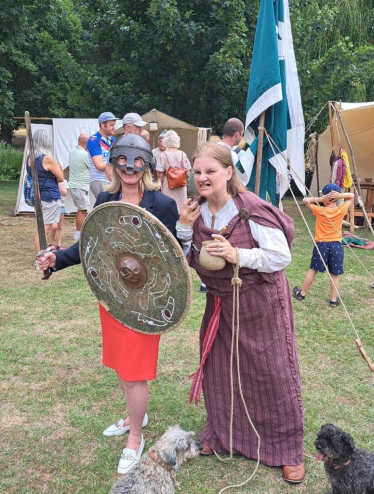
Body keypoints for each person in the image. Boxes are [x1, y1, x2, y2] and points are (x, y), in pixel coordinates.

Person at [36, 134, 179, 475]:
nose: (130, 168)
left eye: (138, 161)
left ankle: (135, 436)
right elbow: (90, 246)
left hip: (146, 302)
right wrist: (55, 259)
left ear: (148, 164)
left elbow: (174, 260)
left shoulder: (163, 205)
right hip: (114, 299)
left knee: (134, 373)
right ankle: (135, 415)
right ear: (114, 162)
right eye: (124, 161)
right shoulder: (105, 198)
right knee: (121, 365)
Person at [176, 142, 305, 484]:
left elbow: (280, 257)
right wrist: (184, 228)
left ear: (229, 173)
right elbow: (186, 258)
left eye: (210, 171)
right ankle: (224, 435)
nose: (202, 178)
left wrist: (238, 255)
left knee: (272, 373)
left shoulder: (248, 208)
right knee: (222, 373)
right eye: (198, 172)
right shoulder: (195, 210)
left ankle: (286, 449)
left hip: (261, 303)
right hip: (220, 304)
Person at [293, 183, 354, 307]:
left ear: (325, 198)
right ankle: (333, 300)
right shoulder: (341, 209)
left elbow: (305, 201)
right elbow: (352, 196)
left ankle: (302, 293)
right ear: (337, 199)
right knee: (334, 274)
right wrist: (339, 196)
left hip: (321, 245)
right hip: (336, 246)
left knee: (313, 270)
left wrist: (320, 200)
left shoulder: (320, 210)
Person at [27, 129, 64, 253]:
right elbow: (61, 177)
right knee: (44, 229)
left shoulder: (30, 158)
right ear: (47, 142)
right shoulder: (46, 159)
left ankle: (40, 254)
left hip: (39, 196)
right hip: (49, 196)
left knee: (42, 227)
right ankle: (40, 257)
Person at [155, 130, 191, 213]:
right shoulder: (183, 154)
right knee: (180, 209)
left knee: (167, 208)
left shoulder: (163, 155)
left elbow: (159, 174)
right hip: (181, 187)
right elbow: (188, 173)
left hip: (168, 187)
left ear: (165, 141)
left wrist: (158, 186)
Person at [87, 112, 117, 199]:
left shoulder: (112, 140)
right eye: (111, 125)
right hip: (99, 179)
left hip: (111, 179)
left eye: (114, 125)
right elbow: (99, 165)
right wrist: (116, 162)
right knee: (106, 208)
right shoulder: (94, 140)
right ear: (103, 125)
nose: (114, 127)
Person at [68, 133, 90, 241]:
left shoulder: (72, 152)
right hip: (81, 186)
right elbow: (93, 166)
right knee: (83, 210)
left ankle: (78, 230)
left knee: (80, 209)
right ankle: (78, 233)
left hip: (74, 185)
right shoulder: (84, 155)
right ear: (84, 142)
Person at [49, 177, 69, 251]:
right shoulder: (49, 181)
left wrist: (59, 183)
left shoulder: (64, 181)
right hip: (53, 205)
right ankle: (51, 243)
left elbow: (64, 193)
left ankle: (59, 244)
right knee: (54, 226)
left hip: (61, 206)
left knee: (59, 226)